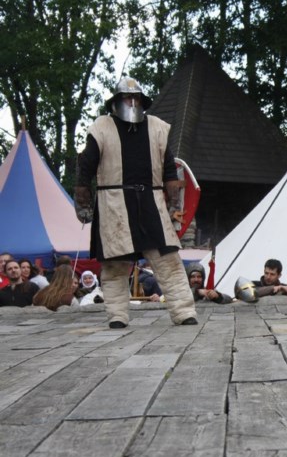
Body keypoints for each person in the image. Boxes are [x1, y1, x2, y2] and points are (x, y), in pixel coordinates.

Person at [74, 76, 197, 329]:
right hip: (114, 204)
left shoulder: (157, 128)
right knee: (115, 265)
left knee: (168, 259)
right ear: (117, 101)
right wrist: (83, 200)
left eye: (136, 98)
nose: (132, 102)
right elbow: (86, 166)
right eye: (127, 98)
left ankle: (184, 311)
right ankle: (117, 315)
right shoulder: (101, 128)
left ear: (142, 101)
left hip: (151, 202)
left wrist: (174, 202)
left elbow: (169, 168)